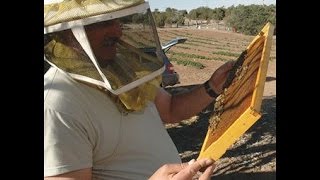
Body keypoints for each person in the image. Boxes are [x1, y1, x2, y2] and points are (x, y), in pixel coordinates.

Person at [44, 0, 234, 179]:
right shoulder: (57, 104)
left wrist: (213, 87)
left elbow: (170, 109)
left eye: (117, 19)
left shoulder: (120, 69)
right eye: (103, 22)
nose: (117, 31)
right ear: (66, 32)